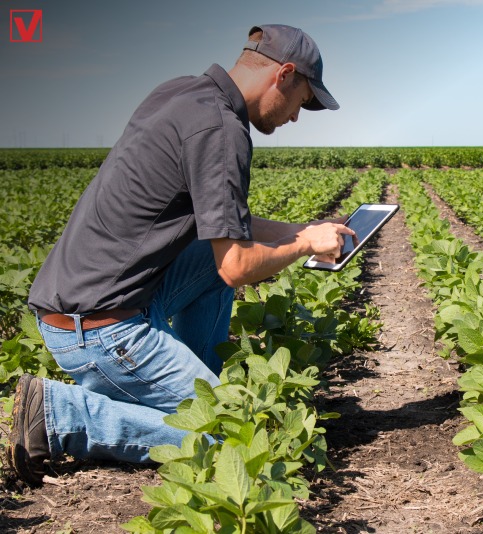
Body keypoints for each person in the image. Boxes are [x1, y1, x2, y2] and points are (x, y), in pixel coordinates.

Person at [7, 23, 354, 486]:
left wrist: (301, 229)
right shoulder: (222, 131)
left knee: (208, 259)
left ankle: (193, 384)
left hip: (85, 302)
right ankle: (62, 414)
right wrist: (306, 245)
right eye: (303, 100)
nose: (296, 116)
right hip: (98, 330)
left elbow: (228, 230)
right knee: (232, 440)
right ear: (285, 75)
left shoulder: (182, 95)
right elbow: (236, 266)